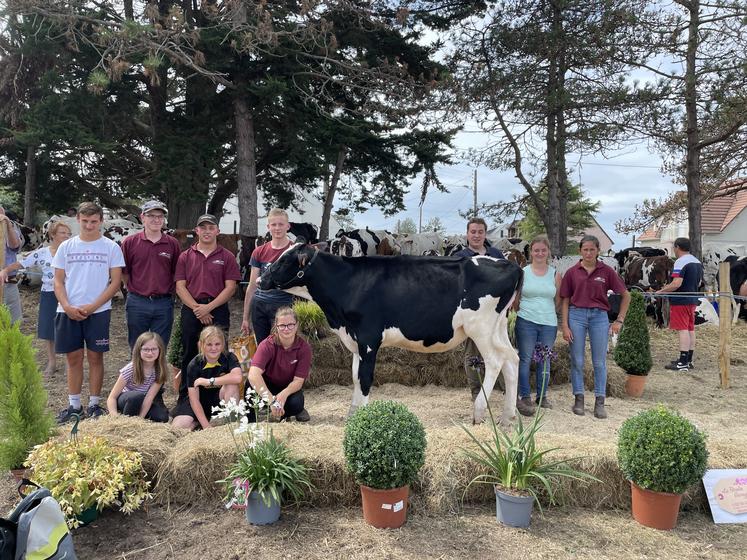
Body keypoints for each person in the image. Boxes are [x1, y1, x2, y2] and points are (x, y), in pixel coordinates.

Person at [53, 202, 125, 422]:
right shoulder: (66, 247)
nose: (89, 225)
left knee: (95, 357)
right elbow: (58, 280)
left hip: (98, 311)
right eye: (85, 221)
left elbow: (115, 282)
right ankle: (74, 405)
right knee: (73, 358)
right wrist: (66, 306)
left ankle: (94, 404)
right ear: (78, 220)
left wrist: (93, 306)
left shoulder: (110, 247)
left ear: (101, 221)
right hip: (68, 311)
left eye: (94, 221)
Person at [560, 235, 630, 419]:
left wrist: (619, 320)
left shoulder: (606, 271)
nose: (589, 253)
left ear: (598, 250)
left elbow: (626, 295)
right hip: (577, 315)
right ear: (580, 251)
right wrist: (564, 325)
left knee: (599, 362)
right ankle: (579, 399)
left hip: (599, 317)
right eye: (585, 249)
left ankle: (600, 401)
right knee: (578, 360)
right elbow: (565, 300)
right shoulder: (572, 272)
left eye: (592, 249)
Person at [175, 213, 241, 392]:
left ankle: (218, 396)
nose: (207, 231)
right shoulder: (185, 256)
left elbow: (230, 288)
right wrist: (198, 309)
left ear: (217, 231)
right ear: (196, 231)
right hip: (191, 309)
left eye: (211, 228)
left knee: (219, 351)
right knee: (189, 351)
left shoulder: (226, 256)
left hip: (217, 309)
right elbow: (180, 287)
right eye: (203, 227)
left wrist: (208, 308)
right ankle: (186, 395)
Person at [0, 220, 71, 375]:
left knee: (67, 327)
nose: (66, 236)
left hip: (68, 294)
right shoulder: (43, 252)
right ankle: (52, 362)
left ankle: (68, 363)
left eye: (68, 233)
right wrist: (5, 270)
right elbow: (22, 263)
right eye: (62, 233)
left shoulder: (72, 252)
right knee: (48, 328)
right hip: (48, 293)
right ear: (53, 235)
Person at [453, 217, 505, 401]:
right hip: (471, 314)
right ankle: (476, 391)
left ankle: (503, 388)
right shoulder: (460, 257)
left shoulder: (496, 255)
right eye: (473, 232)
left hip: (495, 312)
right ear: (467, 234)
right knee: (472, 352)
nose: (476, 235)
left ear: (485, 234)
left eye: (480, 232)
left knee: (500, 348)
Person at [121, 200, 181, 349]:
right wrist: (135, 289)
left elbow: (176, 272)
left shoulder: (172, 244)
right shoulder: (130, 242)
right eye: (151, 215)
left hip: (163, 303)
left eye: (160, 216)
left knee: (160, 347)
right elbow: (125, 272)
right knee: (136, 347)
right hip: (137, 302)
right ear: (142, 217)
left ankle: (157, 373)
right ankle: (136, 373)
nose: (156, 220)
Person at [514, 235, 561, 416]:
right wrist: (525, 313)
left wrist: (545, 313)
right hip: (526, 321)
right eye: (536, 250)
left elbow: (557, 300)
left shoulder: (555, 274)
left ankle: (542, 396)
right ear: (531, 252)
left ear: (548, 252)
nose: (540, 253)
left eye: (543, 250)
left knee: (544, 359)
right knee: (525, 359)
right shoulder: (523, 273)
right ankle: (525, 395)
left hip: (548, 323)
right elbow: (516, 300)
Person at [246, 306, 311, 422]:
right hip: (267, 385)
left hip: (287, 386)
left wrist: (283, 395)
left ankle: (283, 414)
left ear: (296, 325)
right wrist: (271, 400)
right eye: (282, 326)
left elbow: (298, 381)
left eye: (290, 325)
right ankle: (251, 420)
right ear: (276, 326)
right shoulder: (266, 345)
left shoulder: (304, 348)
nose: (286, 329)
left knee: (297, 404)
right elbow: (253, 375)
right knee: (249, 387)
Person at [172, 326, 242, 430]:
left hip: (219, 400)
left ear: (223, 344)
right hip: (199, 402)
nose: (214, 348)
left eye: (217, 344)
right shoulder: (194, 364)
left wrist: (210, 381)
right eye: (209, 344)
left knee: (232, 384)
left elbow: (237, 378)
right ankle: (198, 422)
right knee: (178, 427)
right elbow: (194, 400)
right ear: (201, 345)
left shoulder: (229, 357)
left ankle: (231, 424)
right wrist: (207, 427)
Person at [241, 208, 294, 344]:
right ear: (268, 227)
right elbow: (252, 286)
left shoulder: (295, 250)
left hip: (284, 305)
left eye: (281, 224)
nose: (277, 228)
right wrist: (245, 318)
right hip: (259, 305)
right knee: (263, 346)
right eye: (273, 225)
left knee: (282, 346)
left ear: (288, 226)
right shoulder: (259, 252)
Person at [658, 237, 703, 371]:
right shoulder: (697, 262)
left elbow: (677, 283)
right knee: (690, 329)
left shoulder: (680, 262)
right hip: (693, 299)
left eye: (674, 247)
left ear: (677, 247)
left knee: (682, 329)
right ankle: (688, 360)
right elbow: (699, 283)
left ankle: (682, 363)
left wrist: (661, 291)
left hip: (681, 300)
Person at [106, 331, 169, 422]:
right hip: (126, 399)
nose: (150, 353)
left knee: (162, 417)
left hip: (142, 399)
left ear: (160, 350)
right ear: (139, 350)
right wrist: (114, 417)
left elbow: (149, 397)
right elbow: (112, 397)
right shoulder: (130, 369)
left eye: (154, 349)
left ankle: (135, 420)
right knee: (136, 396)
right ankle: (126, 421)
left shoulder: (160, 370)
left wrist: (140, 419)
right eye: (146, 349)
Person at [0, 207, 24, 324]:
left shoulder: (10, 227)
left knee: (13, 323)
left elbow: (14, 245)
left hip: (8, 283)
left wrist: (7, 224)